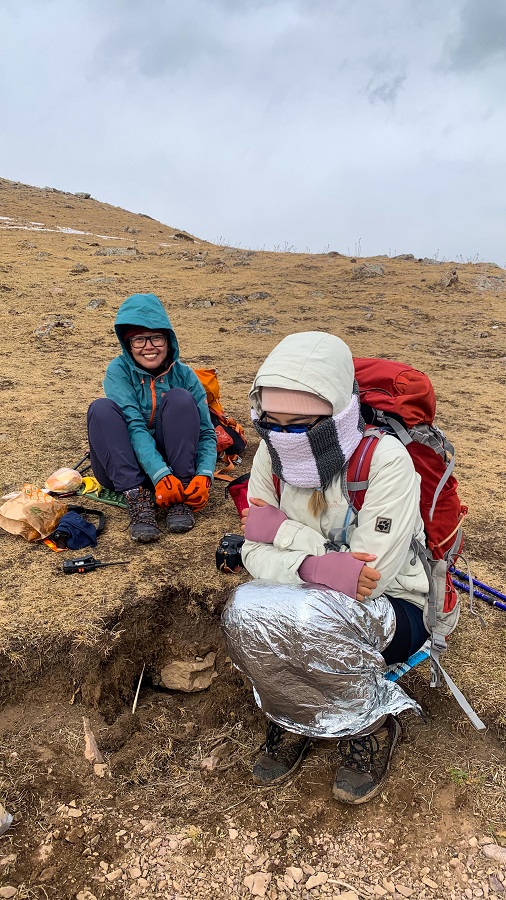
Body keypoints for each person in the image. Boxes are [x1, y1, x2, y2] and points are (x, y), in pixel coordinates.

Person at [222, 331, 430, 805]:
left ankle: (370, 722)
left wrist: (278, 532)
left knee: (308, 618)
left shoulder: (386, 462)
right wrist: (319, 559)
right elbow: (252, 554)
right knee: (241, 610)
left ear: (338, 415)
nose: (283, 437)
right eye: (271, 423)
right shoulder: (270, 459)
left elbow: (367, 582)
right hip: (310, 595)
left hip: (398, 607)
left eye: (301, 424)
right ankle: (293, 716)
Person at [87, 293, 217, 541]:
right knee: (101, 409)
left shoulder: (185, 375)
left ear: (168, 340)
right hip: (124, 469)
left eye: (156, 338)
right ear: (128, 344)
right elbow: (134, 426)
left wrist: (204, 473)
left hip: (177, 470)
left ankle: (181, 497)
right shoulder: (118, 371)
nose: (148, 347)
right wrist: (159, 475)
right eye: (138, 340)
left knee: (179, 398)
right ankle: (137, 498)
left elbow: (207, 432)